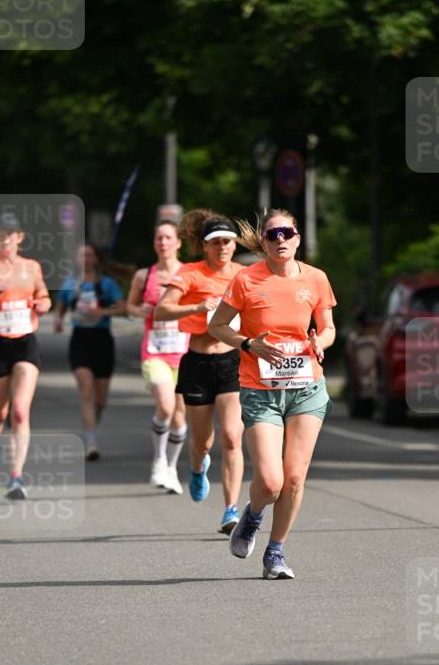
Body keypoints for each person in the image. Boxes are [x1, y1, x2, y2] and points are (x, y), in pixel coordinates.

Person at [208, 208, 336, 579]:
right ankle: (252, 516)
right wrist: (248, 343)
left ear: (298, 238)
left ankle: (275, 553)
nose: (280, 240)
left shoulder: (315, 278)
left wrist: (321, 341)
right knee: (270, 481)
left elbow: (328, 327)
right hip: (260, 389)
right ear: (263, 243)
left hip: (306, 388)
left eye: (287, 233)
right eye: (272, 235)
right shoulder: (246, 280)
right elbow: (217, 326)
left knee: (294, 479)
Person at [154, 210, 244, 534]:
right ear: (205, 246)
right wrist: (197, 306)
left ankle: (231, 510)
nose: (222, 247)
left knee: (232, 436)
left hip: (233, 362)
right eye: (215, 242)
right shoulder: (190, 273)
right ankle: (197, 467)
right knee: (202, 442)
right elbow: (161, 310)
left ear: (234, 245)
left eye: (227, 241)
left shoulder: (244, 275)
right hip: (198, 363)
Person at [0, 213, 52, 499]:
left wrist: (43, 304)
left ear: (19, 237)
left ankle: (16, 476)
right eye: (0, 234)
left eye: (10, 234)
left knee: (19, 411)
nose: (5, 238)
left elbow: (44, 295)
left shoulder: (31, 267)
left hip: (25, 343)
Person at [127, 220, 189, 493]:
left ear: (178, 243)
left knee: (179, 416)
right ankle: (159, 460)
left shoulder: (189, 274)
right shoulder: (144, 276)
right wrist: (138, 310)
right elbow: (130, 305)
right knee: (165, 406)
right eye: (159, 238)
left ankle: (171, 468)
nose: (163, 243)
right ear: (154, 243)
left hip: (184, 352)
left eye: (168, 238)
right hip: (155, 352)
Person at [55, 243, 126, 460]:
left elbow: (122, 308)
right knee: (87, 390)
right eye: (81, 255)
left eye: (89, 255)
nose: (85, 259)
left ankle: (92, 423)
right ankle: (91, 442)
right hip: (80, 340)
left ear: (96, 259)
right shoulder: (70, 284)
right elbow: (61, 306)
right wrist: (58, 320)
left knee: (100, 400)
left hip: (102, 340)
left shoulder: (107, 284)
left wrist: (101, 311)